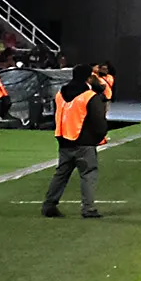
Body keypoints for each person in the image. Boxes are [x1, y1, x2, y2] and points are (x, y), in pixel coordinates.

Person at [42, 62, 115, 217]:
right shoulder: (89, 96)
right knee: (88, 174)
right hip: (84, 142)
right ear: (88, 77)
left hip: (64, 140)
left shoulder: (60, 94)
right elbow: (99, 121)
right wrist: (99, 136)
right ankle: (88, 208)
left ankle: (49, 204)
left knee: (61, 175)